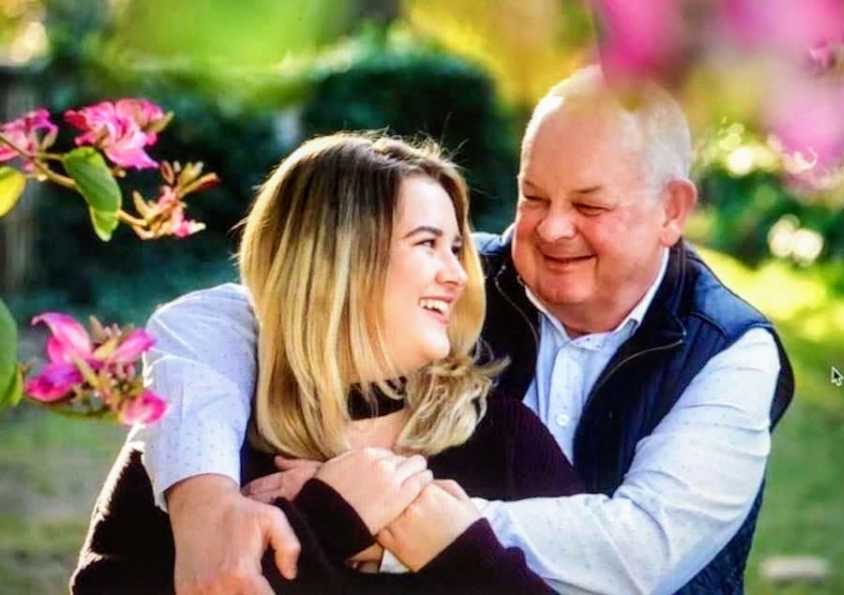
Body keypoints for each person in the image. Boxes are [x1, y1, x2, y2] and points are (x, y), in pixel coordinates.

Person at [111, 67, 794, 595]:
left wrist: (401, 519)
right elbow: (224, 313)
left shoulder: (730, 353)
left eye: (590, 204)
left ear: (671, 209)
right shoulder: (459, 287)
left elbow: (641, 549)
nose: (552, 228)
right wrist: (207, 500)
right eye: (533, 197)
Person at [71, 133, 585, 594]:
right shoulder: (201, 445)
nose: (458, 274)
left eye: (456, 248)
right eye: (427, 243)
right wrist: (329, 519)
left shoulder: (501, 438)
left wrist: (450, 544)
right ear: (336, 261)